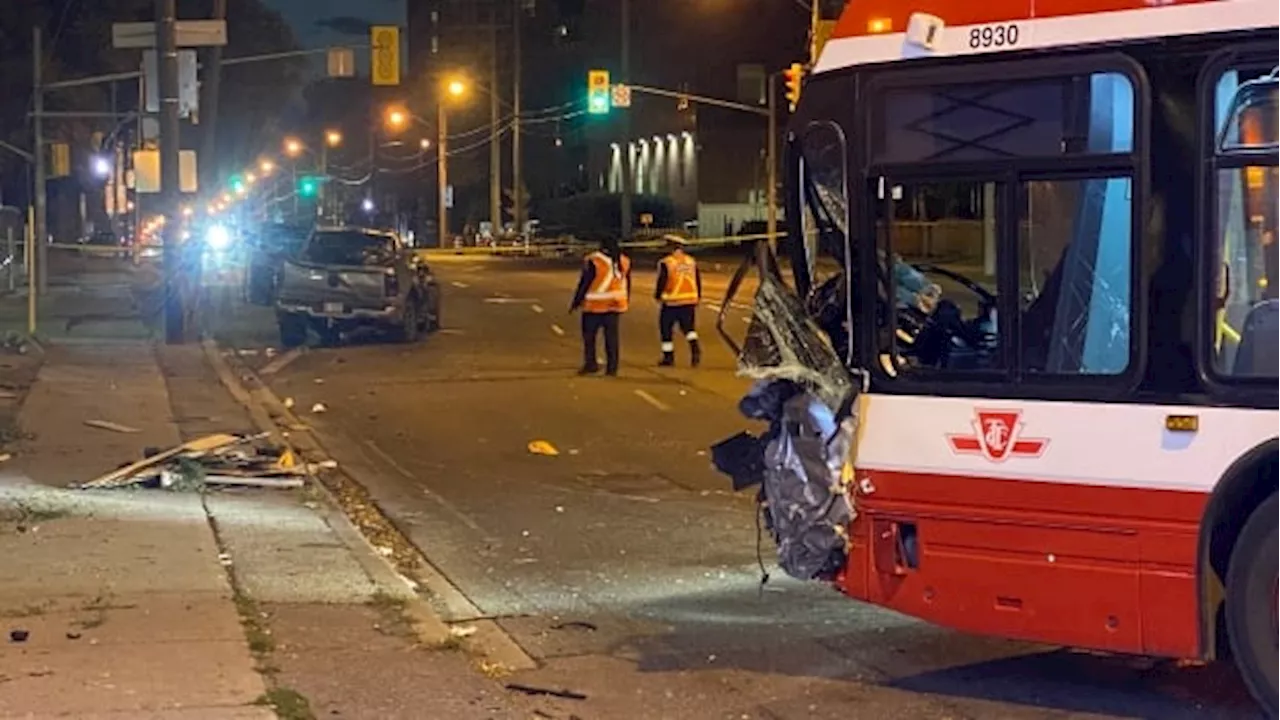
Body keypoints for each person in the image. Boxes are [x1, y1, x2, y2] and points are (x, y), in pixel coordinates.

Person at [569, 238, 631, 376]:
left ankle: (591, 364)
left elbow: (585, 283)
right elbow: (627, 282)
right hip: (615, 305)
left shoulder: (594, 260)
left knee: (589, 337)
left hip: (595, 306)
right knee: (612, 338)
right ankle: (612, 367)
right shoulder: (623, 260)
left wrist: (576, 302)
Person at [655, 234, 702, 367]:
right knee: (689, 329)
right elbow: (697, 279)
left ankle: (668, 357)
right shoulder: (691, 261)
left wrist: (658, 295)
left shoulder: (667, 262)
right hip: (689, 300)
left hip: (671, 301)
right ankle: (695, 350)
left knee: (666, 330)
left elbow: (662, 281)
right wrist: (698, 296)